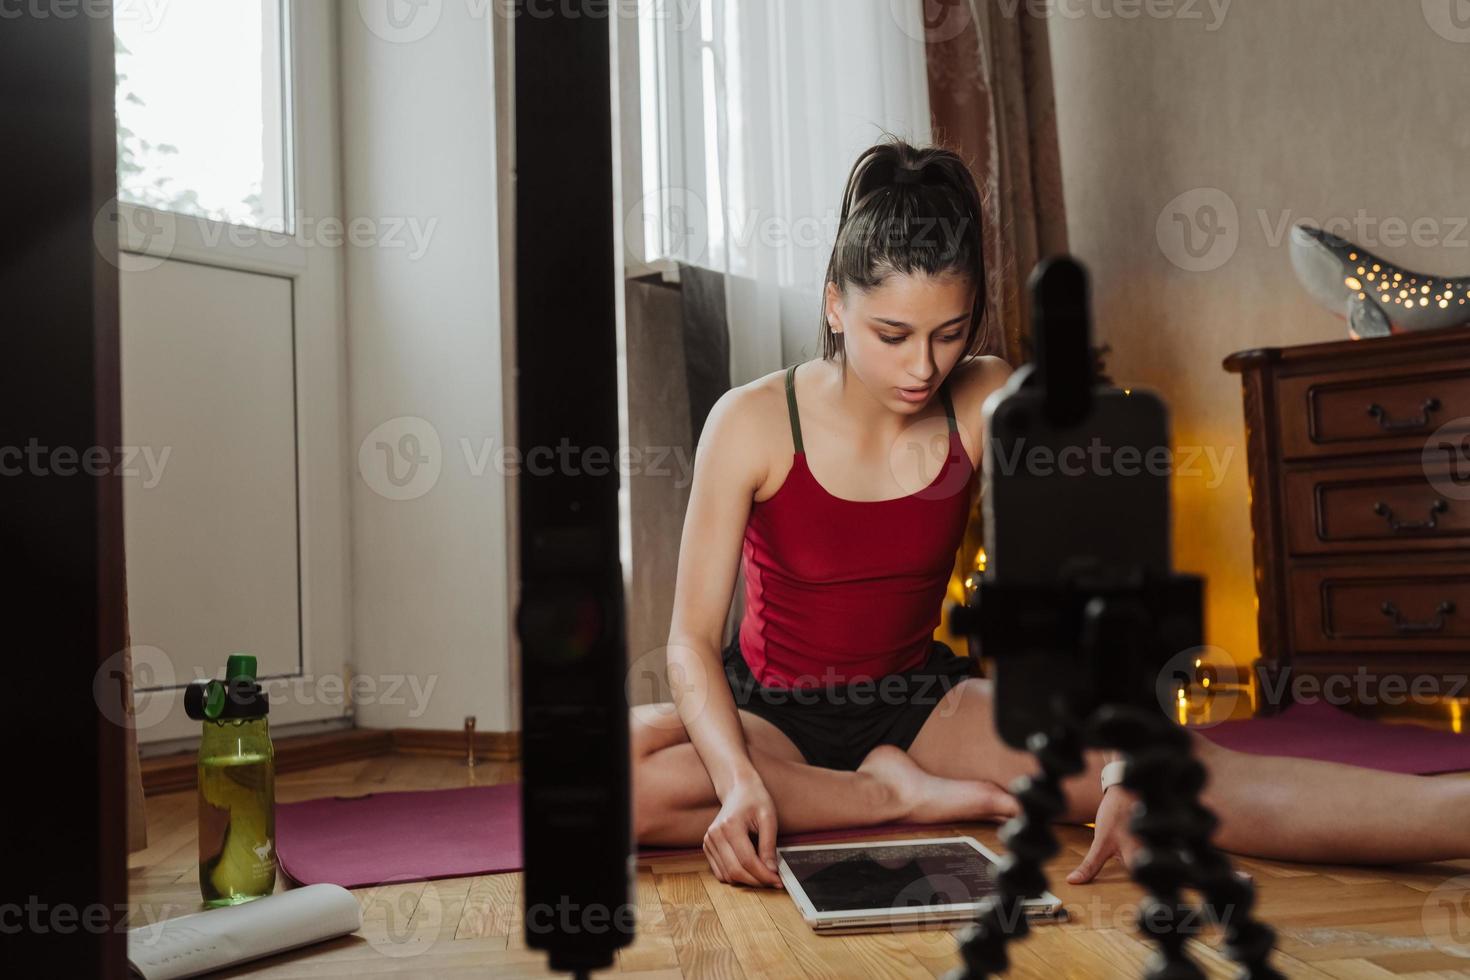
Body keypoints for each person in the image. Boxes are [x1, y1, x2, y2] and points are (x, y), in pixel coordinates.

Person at [631, 136, 1470, 890]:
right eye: (892, 333)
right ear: (834, 307)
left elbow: (1089, 585)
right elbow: (689, 641)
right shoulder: (747, 422)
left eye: (948, 332)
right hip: (773, 714)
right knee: (624, 788)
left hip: (923, 709)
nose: (923, 366)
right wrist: (740, 778)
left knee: (1180, 775)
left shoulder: (987, 396)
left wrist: (1116, 766)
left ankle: (1455, 814)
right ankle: (883, 796)